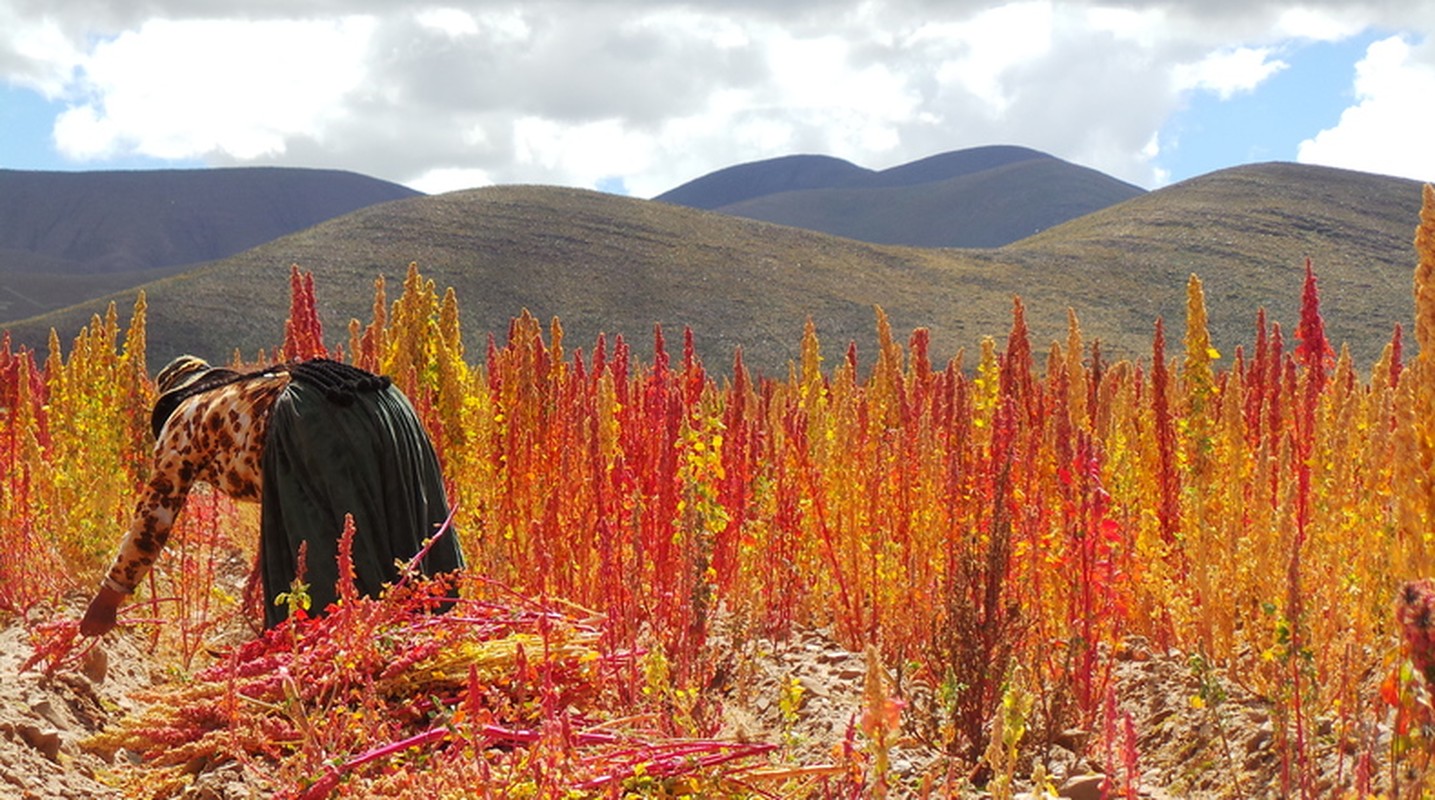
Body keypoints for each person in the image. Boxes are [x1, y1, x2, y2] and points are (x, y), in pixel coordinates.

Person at [81, 355, 464, 635]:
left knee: (332, 583)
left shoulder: (183, 418)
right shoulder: (247, 391)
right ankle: (427, 631)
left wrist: (108, 598)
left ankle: (356, 661)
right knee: (401, 532)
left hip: (315, 419)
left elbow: (154, 516)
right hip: (389, 404)